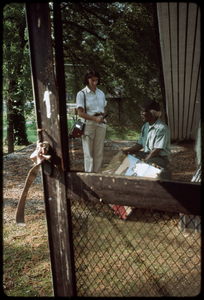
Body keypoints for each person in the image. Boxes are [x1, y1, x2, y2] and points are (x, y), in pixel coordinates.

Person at [121, 99, 171, 168]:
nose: (141, 113)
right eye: (141, 111)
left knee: (145, 164)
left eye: (143, 111)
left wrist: (144, 162)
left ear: (152, 113)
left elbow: (156, 151)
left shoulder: (162, 128)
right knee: (129, 157)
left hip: (159, 158)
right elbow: (139, 145)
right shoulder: (145, 127)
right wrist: (125, 151)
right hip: (146, 155)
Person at [76, 68, 107, 172]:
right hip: (89, 124)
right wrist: (95, 118)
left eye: (96, 80)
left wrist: (103, 117)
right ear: (87, 79)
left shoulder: (101, 93)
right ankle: (89, 177)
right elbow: (80, 113)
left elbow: (104, 108)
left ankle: (97, 175)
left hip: (101, 123)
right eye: (92, 80)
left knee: (99, 151)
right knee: (88, 152)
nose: (95, 83)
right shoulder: (82, 94)